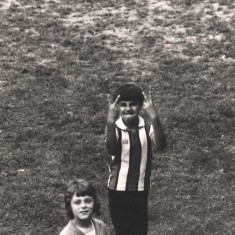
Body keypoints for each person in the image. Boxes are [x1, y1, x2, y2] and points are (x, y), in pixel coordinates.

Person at [105, 83, 166, 235]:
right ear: (117, 108)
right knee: (123, 230)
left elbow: (160, 145)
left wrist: (154, 116)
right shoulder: (115, 127)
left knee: (139, 230)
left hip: (140, 189)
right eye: (123, 105)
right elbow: (111, 149)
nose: (128, 109)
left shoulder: (146, 126)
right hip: (118, 190)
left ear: (140, 107)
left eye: (133, 104)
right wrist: (110, 121)